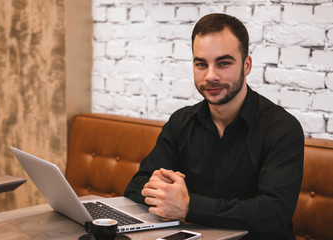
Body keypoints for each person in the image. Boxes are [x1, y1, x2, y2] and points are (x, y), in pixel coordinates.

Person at [124, 13, 304, 240]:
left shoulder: (282, 129)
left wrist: (188, 206)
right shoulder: (181, 122)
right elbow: (136, 186)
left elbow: (273, 214)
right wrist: (165, 194)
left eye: (224, 63)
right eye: (201, 64)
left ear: (246, 65)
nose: (211, 76)